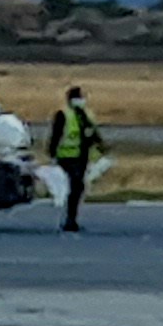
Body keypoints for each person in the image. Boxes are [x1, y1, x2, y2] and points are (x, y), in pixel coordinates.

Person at [43, 87, 101, 233]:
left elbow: (93, 134)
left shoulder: (87, 115)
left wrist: (101, 146)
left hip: (82, 156)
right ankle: (70, 219)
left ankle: (72, 218)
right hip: (67, 156)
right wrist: (52, 152)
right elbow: (56, 135)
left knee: (78, 187)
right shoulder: (63, 115)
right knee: (76, 185)